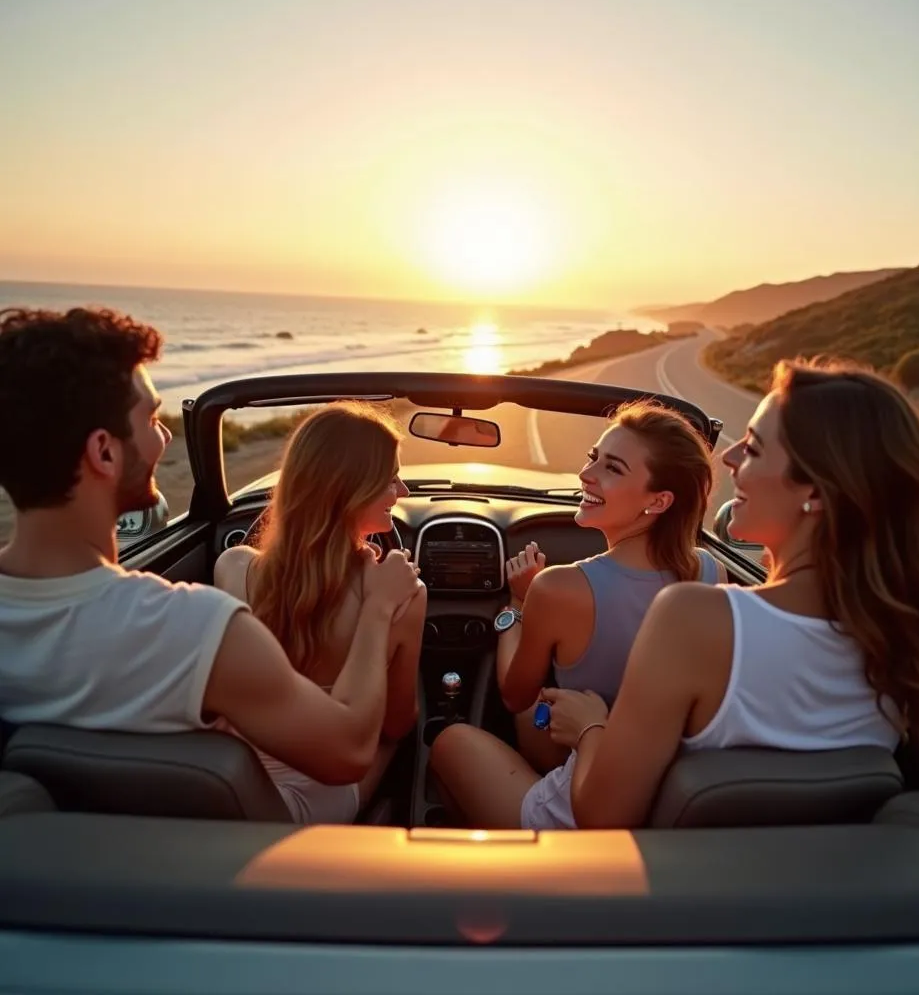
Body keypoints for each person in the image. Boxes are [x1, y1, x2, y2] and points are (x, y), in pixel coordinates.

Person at [538, 357, 919, 830]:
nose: (727, 459)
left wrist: (590, 726)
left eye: (750, 449)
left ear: (814, 489)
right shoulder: (902, 637)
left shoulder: (694, 617)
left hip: (629, 876)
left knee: (460, 741)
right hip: (791, 883)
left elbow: (602, 818)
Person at [0, 307, 422, 792]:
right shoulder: (193, 629)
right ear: (105, 452)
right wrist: (377, 611)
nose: (163, 437)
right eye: (152, 419)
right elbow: (349, 753)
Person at [428, 397, 724, 829]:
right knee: (547, 710)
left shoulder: (562, 586)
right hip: (666, 794)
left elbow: (515, 694)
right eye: (593, 458)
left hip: (588, 806)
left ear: (659, 502)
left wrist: (518, 606)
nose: (586, 475)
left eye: (613, 468)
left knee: (449, 742)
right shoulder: (713, 571)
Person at [213, 401, 426, 823]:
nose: (403, 492)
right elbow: (397, 723)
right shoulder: (404, 596)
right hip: (311, 805)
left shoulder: (233, 568)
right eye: (391, 479)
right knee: (411, 733)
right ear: (351, 490)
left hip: (234, 790)